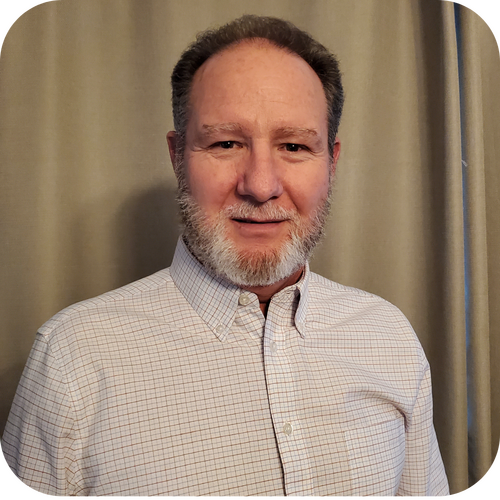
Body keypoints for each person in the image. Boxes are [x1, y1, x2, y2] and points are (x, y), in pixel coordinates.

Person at [1, 15, 450, 498]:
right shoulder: (73, 358)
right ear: (178, 156)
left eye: (294, 145)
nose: (260, 185)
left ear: (331, 163)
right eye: (226, 143)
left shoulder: (389, 336)